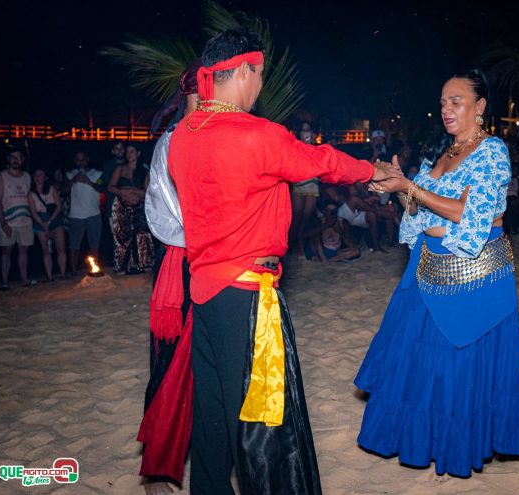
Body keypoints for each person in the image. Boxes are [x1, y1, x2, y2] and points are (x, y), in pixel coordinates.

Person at [167, 28, 399, 494]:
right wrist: (376, 171)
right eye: (260, 75)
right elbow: (323, 161)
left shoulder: (182, 138)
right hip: (248, 296)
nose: (260, 87)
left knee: (213, 416)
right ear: (247, 70)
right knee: (262, 422)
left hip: (204, 295)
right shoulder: (257, 135)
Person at [355, 70, 519, 477]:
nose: (447, 109)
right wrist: (397, 189)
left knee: (457, 367)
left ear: (480, 106)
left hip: (470, 277)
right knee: (423, 365)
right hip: (429, 266)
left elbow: (467, 215)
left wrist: (412, 187)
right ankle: (425, 443)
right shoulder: (445, 153)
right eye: (442, 102)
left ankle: (455, 448)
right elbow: (419, 213)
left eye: (456, 101)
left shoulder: (492, 152)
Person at [138, 60, 202, 495]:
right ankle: (158, 468)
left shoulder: (226, 138)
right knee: (169, 358)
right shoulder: (172, 142)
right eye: (201, 92)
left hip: (221, 263)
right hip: (184, 261)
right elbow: (161, 214)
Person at [108, 145, 154, 274]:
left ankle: (145, 263)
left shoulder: (144, 171)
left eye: (132, 151)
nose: (129, 154)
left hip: (138, 205)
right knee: (122, 235)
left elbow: (148, 192)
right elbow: (110, 187)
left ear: (138, 153)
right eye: (127, 151)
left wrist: (135, 192)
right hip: (121, 206)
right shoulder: (120, 169)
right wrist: (123, 193)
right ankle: (122, 266)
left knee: (143, 233)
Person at [0, 148, 36, 289]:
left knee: (24, 250)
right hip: (7, 220)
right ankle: (5, 282)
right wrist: (3, 222)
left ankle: (24, 279)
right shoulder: (2, 176)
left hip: (25, 220)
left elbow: (29, 198)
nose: (15, 160)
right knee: (6, 251)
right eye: (12, 157)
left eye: (18, 157)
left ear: (22, 160)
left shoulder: (27, 177)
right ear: (8, 159)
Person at [66, 151, 103, 275]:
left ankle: (95, 269)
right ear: (75, 161)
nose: (81, 162)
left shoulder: (97, 174)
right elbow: (62, 190)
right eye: (78, 159)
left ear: (87, 159)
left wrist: (89, 182)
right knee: (74, 246)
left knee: (94, 245)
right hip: (76, 215)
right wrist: (73, 180)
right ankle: (73, 270)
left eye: (83, 159)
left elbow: (104, 188)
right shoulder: (70, 174)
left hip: (94, 214)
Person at [27, 168, 67, 281]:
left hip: (54, 217)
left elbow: (59, 206)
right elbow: (33, 212)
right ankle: (49, 276)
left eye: (40, 175)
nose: (38, 177)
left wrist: (49, 222)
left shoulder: (51, 189)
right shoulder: (31, 194)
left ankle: (62, 274)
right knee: (46, 250)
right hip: (40, 220)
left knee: (61, 248)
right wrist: (43, 224)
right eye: (36, 175)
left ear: (45, 178)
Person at [289, 122, 321, 258]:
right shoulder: (295, 147)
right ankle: (292, 246)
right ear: (299, 133)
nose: (306, 133)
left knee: (307, 217)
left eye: (308, 130)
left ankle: (299, 246)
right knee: (297, 218)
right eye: (303, 130)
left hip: (313, 184)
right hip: (298, 184)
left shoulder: (316, 148)